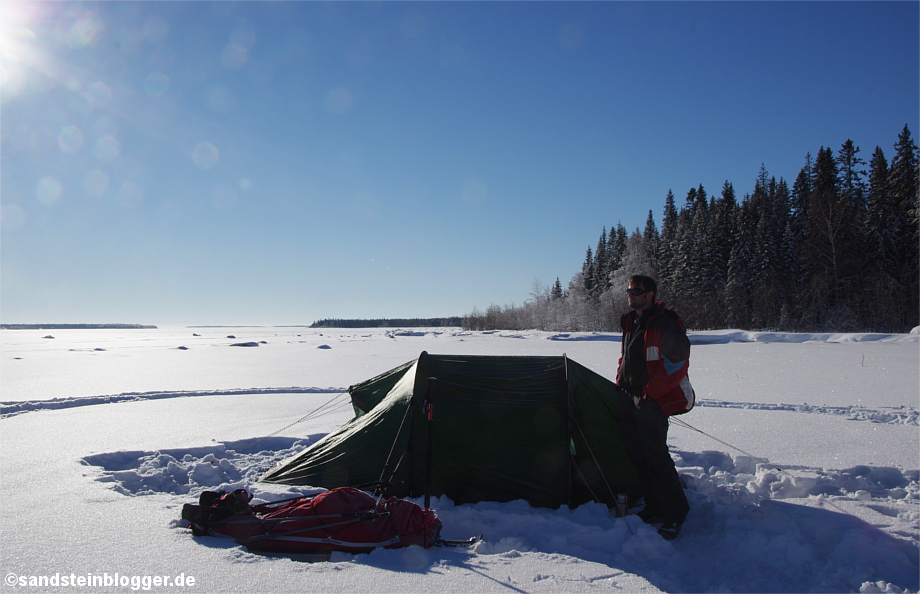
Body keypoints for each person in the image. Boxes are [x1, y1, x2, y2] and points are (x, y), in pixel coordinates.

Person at [615, 275, 693, 540]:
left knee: (657, 458)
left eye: (636, 291)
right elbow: (627, 356)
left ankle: (675, 514)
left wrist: (650, 395)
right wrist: (619, 382)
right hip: (628, 396)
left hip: (650, 401)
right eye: (629, 290)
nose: (631, 294)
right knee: (639, 458)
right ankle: (655, 507)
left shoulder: (665, 322)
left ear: (650, 294)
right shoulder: (631, 320)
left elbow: (676, 363)